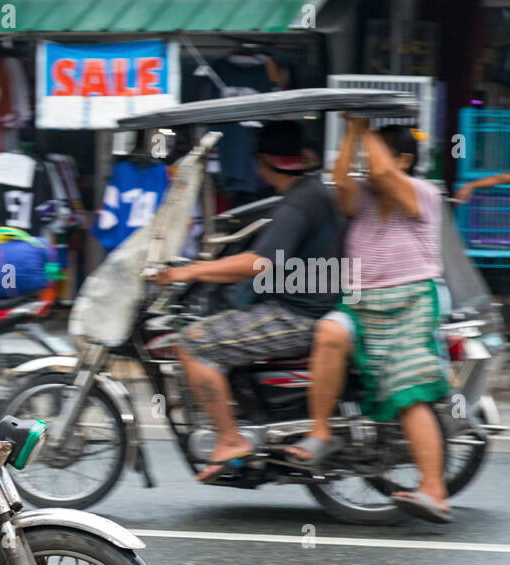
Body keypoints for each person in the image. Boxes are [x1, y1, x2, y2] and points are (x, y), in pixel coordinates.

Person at [152, 120, 344, 482]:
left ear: (262, 162)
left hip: (297, 315)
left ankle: (229, 439)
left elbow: (258, 263)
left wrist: (189, 272)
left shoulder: (298, 203)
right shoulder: (314, 190)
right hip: (314, 306)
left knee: (192, 344)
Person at [286, 120, 452, 523]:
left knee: (407, 391)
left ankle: (434, 489)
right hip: (360, 304)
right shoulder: (361, 197)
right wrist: (351, 131)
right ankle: (322, 430)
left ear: (404, 160)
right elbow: (342, 178)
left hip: (410, 301)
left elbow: (380, 172)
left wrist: (365, 134)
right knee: (328, 332)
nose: (368, 168)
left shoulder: (423, 193)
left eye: (377, 153)